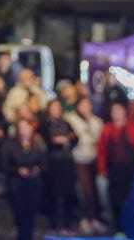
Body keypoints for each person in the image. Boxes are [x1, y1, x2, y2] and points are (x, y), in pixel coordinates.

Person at [96, 102, 134, 227]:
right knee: (115, 200)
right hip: (114, 171)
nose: (116, 113)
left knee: (131, 200)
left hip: (132, 171)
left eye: (119, 110)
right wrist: (102, 169)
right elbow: (102, 151)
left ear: (125, 112)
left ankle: (133, 226)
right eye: (113, 111)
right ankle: (117, 227)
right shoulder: (107, 129)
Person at [1, 117, 46, 240]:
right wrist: (18, 170)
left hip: (33, 185)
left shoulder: (37, 144)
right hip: (17, 186)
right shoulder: (9, 145)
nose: (24, 130)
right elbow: (4, 165)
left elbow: (44, 163)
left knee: (31, 217)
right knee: (20, 217)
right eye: (21, 127)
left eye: (27, 127)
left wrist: (37, 169)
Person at [65, 95, 104, 235]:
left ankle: (95, 218)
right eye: (82, 104)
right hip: (79, 158)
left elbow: (98, 139)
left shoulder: (97, 121)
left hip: (93, 158)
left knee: (95, 190)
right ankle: (85, 218)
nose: (85, 107)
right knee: (84, 189)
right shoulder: (71, 119)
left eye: (88, 104)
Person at [41, 98, 79, 231]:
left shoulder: (66, 122)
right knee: (53, 194)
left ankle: (67, 224)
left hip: (67, 161)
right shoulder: (45, 124)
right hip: (53, 163)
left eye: (58, 107)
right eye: (53, 107)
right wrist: (63, 139)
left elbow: (75, 138)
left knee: (68, 193)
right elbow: (48, 141)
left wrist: (64, 139)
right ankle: (52, 224)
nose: (56, 110)